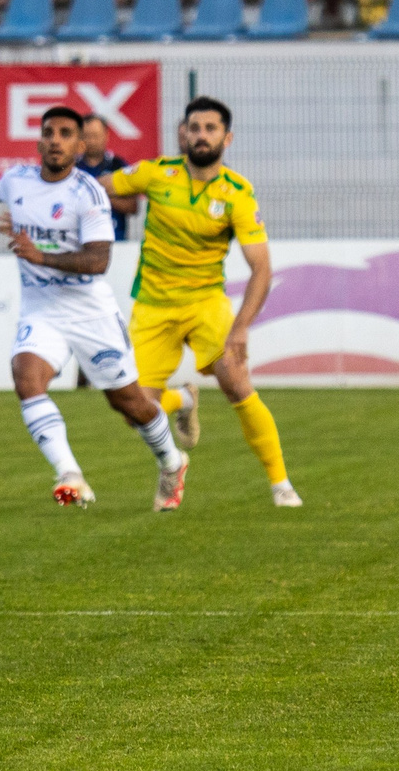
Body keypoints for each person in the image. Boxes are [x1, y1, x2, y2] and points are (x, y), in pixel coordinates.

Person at [0, 106, 189, 509]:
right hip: (42, 310)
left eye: (66, 133)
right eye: (49, 132)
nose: (56, 139)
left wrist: (42, 257)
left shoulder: (88, 194)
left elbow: (98, 261)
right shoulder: (18, 180)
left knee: (128, 403)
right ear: (39, 141)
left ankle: (172, 462)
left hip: (90, 313)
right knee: (26, 378)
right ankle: (69, 474)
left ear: (79, 145)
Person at [107, 98, 297, 508]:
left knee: (236, 382)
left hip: (206, 302)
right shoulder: (156, 174)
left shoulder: (237, 194)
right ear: (184, 133)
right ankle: (184, 400)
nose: (201, 135)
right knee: (132, 411)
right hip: (153, 307)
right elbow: (95, 188)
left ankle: (281, 485)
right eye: (195, 127)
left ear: (226, 138)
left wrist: (241, 326)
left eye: (211, 128)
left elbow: (262, 268)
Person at [79, 114, 132, 243]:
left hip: (115, 240)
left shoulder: (118, 165)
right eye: (87, 136)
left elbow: (133, 206)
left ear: (106, 135)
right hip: (80, 242)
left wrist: (99, 193)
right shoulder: (72, 167)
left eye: (95, 136)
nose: (91, 141)